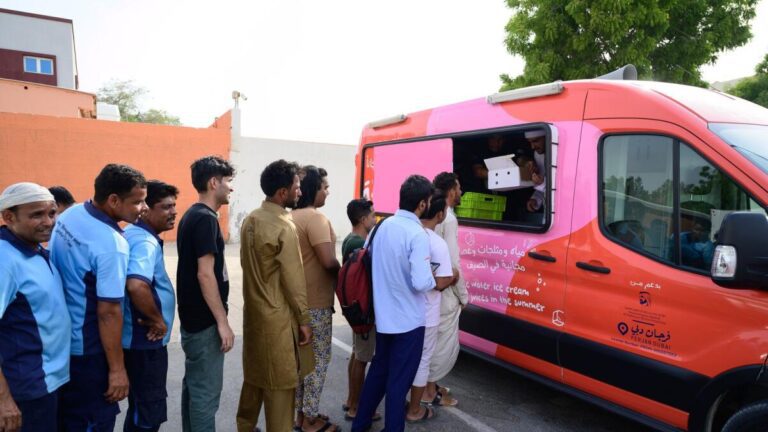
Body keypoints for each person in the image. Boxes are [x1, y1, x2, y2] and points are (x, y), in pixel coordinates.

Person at [50, 164, 148, 431]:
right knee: (94, 421)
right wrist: (117, 370)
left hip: (62, 342)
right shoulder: (111, 245)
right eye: (137, 201)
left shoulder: (73, 214)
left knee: (69, 419)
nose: (144, 208)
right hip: (89, 349)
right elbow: (109, 311)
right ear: (113, 200)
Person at [351, 175, 437, 432]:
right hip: (409, 321)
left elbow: (367, 260)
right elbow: (422, 282)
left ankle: (361, 424)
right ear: (422, 204)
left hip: (383, 317)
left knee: (378, 373)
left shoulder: (380, 226)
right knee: (399, 384)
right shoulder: (417, 234)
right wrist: (434, 276)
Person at [237, 159, 313, 432]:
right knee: (281, 390)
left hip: (254, 315)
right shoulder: (284, 225)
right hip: (278, 319)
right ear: (283, 192)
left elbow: (248, 267)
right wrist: (304, 319)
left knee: (254, 382)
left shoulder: (250, 219)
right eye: (297, 187)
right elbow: (294, 281)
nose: (300, 192)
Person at [0, 183, 71, 432]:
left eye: (52, 213)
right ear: (9, 217)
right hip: (25, 387)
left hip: (49, 381)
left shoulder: (36, 248)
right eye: (36, 215)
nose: (49, 221)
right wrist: (4, 400)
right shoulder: (4, 260)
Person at [176, 156, 235, 432]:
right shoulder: (205, 219)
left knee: (195, 388)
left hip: (194, 320)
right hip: (204, 323)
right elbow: (205, 273)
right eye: (227, 183)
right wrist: (222, 322)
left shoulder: (193, 215)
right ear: (214, 182)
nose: (230, 189)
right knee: (205, 395)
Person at [122, 180, 179, 432]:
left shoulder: (135, 233)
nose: (174, 212)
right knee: (148, 413)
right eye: (166, 207)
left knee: (140, 407)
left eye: (174, 206)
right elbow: (136, 285)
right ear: (146, 209)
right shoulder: (144, 241)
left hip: (138, 339)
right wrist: (157, 320)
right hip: (145, 340)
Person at [292, 166, 342, 432]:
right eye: (325, 186)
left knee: (302, 363)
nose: (328, 191)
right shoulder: (315, 219)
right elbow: (327, 261)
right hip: (316, 304)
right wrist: (345, 273)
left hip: (297, 303)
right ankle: (310, 420)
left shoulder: (292, 217)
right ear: (314, 189)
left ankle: (302, 415)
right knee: (318, 361)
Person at [406, 193, 456, 423]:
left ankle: (399, 402)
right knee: (422, 361)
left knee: (401, 359)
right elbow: (442, 282)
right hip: (427, 314)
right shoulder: (437, 243)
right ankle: (415, 409)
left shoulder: (407, 234)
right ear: (440, 214)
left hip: (402, 311)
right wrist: (453, 275)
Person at [423, 172, 469, 407]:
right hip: (446, 290)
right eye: (459, 187)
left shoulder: (433, 214)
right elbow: (454, 263)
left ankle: (429, 387)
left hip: (432, 289)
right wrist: (464, 295)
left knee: (432, 341)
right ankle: (429, 392)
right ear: (451, 190)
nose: (461, 192)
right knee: (440, 345)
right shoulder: (448, 219)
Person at [340, 199, 380, 423]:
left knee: (357, 354)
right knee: (362, 357)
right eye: (372, 215)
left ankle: (351, 399)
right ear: (363, 219)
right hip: (362, 308)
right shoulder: (358, 243)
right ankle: (355, 407)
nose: (375, 219)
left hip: (356, 307)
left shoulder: (351, 239)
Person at [524, 130, 547, 214]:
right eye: (530, 142)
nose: (532, 146)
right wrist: (535, 199)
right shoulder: (537, 154)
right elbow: (543, 184)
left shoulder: (563, 154)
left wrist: (541, 184)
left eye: (536, 141)